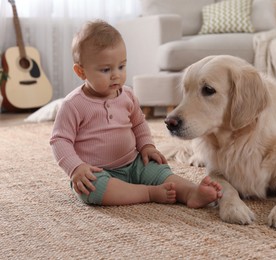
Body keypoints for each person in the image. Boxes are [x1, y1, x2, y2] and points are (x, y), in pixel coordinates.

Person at [50, 20, 222, 207]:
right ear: (81, 72)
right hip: (96, 171)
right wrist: (76, 167)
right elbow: (60, 140)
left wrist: (147, 146)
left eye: (121, 66)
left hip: (133, 163)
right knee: (92, 189)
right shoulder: (73, 105)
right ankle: (148, 193)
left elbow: (139, 124)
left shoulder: (128, 95)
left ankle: (192, 192)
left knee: (159, 170)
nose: (116, 75)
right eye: (106, 70)